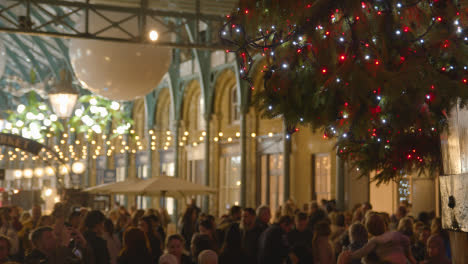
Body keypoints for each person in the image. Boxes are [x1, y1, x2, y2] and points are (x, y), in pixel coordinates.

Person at [346, 213, 417, 264]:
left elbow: (362, 252)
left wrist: (350, 255)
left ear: (369, 230)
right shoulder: (395, 234)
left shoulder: (374, 240)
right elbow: (406, 240)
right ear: (384, 225)